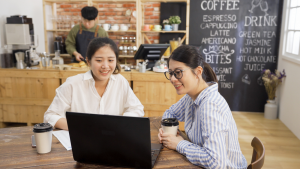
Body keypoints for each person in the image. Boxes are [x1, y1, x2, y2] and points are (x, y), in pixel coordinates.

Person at [158, 45, 247, 168]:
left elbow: (216, 162)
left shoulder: (211, 105)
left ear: (198, 72)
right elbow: (170, 113)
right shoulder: (191, 96)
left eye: (178, 72)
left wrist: (179, 144)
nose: (173, 79)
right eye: (171, 73)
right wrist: (168, 133)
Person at [44, 38, 144, 130]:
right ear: (88, 61)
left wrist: (119, 123)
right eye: (99, 60)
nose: (105, 66)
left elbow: (137, 109)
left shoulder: (120, 81)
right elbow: (50, 116)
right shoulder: (73, 84)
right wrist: (81, 126)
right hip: (81, 140)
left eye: (110, 60)